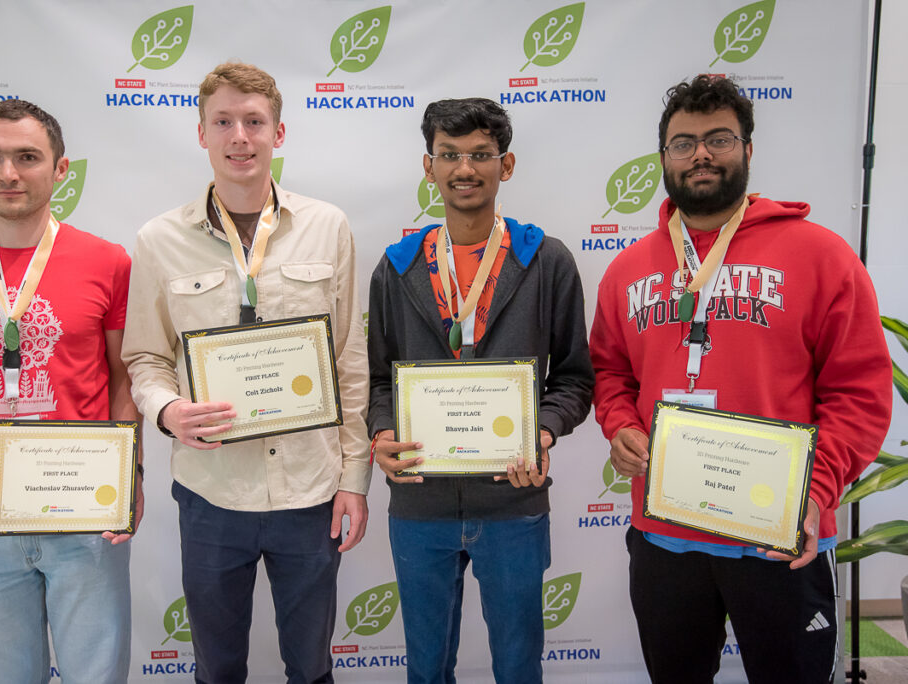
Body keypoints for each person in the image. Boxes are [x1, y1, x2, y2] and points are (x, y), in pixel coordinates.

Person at [589, 75, 893, 684]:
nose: (700, 154)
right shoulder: (627, 269)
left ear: (748, 150)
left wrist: (816, 491)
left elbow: (859, 393)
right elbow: (610, 370)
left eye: (718, 139)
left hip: (780, 535)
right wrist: (620, 425)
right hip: (665, 537)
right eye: (683, 143)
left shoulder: (821, 255)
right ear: (664, 158)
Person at [121, 62, 370, 684]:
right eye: (224, 122)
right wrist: (166, 409)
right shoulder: (159, 239)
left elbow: (348, 359)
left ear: (278, 134)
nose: (240, 136)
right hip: (211, 492)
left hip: (310, 489)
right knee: (217, 664)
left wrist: (355, 478)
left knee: (311, 664)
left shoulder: (327, 226)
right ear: (201, 133)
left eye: (254, 122)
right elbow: (145, 357)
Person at [0, 99, 141, 683]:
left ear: (60, 169)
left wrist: (129, 471)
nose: (7, 172)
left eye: (27, 157)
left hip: (83, 509)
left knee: (97, 676)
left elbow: (124, 376)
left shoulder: (108, 263)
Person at [367, 98, 594, 683]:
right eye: (450, 155)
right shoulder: (397, 267)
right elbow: (376, 378)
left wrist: (541, 430)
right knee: (426, 667)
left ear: (506, 164)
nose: (464, 168)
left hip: (512, 501)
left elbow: (573, 378)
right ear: (429, 166)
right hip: (420, 502)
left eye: (479, 155)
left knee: (519, 666)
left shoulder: (546, 261)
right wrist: (383, 431)